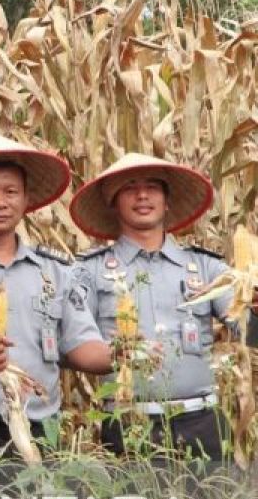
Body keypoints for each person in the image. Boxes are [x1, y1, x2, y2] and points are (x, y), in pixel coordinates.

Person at [0, 133, 112, 452]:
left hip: (40, 432)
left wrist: (130, 353)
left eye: (11, 192)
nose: (0, 202)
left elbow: (82, 347)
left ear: (26, 200)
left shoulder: (55, 273)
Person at [71, 153, 234, 460]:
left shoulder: (205, 267)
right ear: (112, 200)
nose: (142, 195)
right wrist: (118, 354)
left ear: (167, 200)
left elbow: (247, 327)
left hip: (202, 423)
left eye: (152, 187)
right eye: (129, 187)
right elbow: (75, 346)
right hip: (129, 425)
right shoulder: (88, 272)